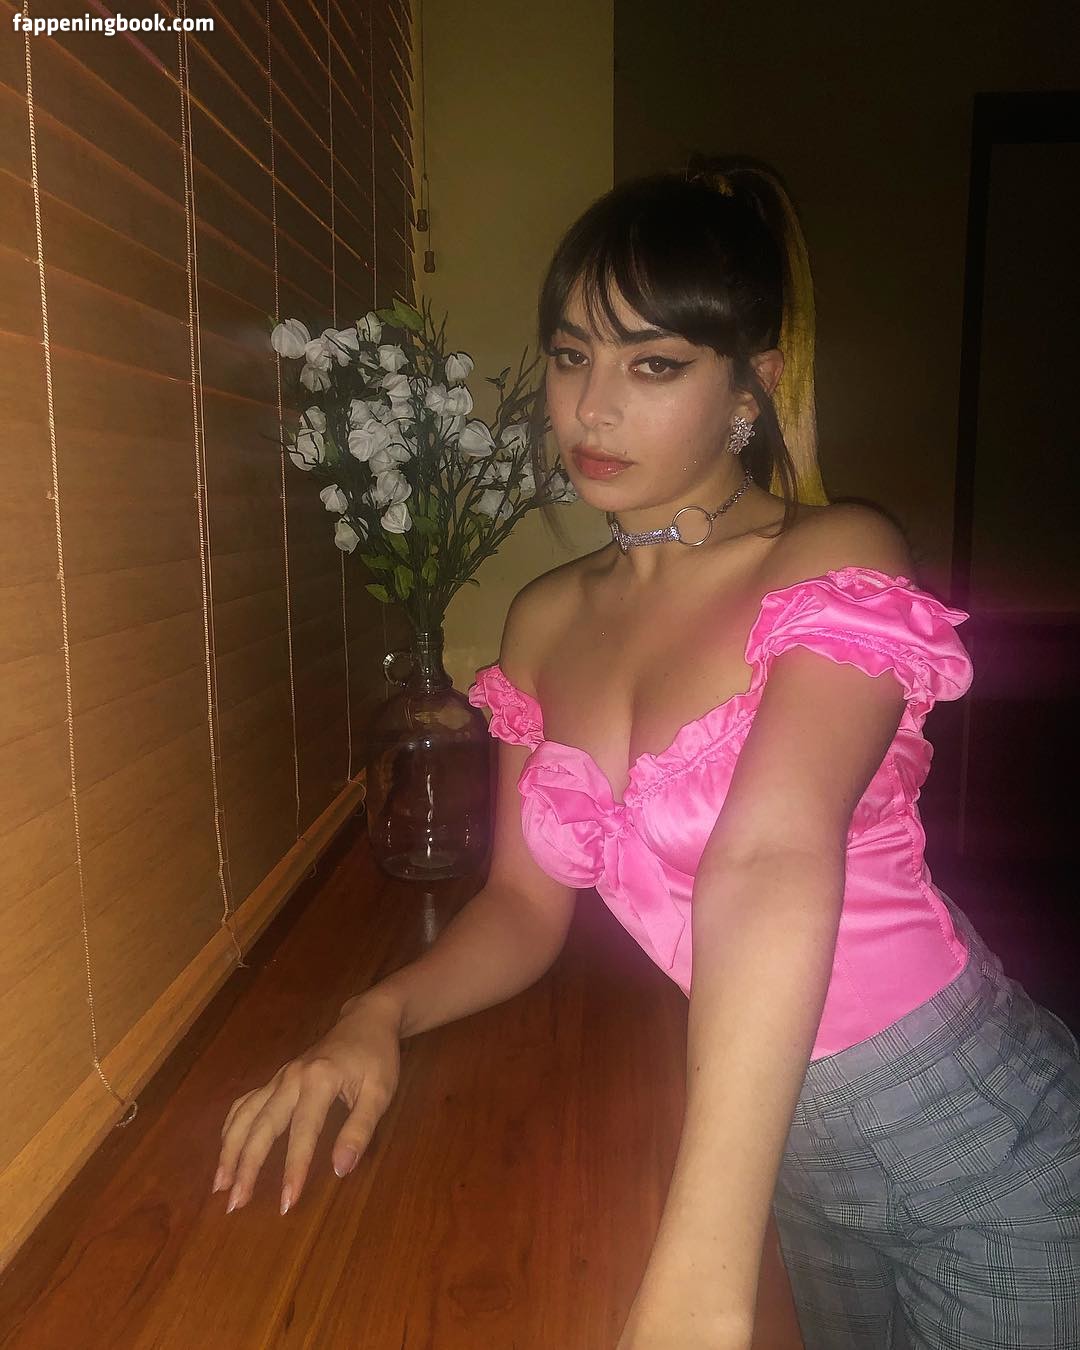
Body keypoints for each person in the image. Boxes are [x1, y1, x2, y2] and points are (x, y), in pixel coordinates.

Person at [214, 155, 1080, 1349]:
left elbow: (768, 857)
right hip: (785, 1157)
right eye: (573, 356)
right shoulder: (544, 621)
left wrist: (702, 1275)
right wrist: (374, 1016)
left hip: (980, 1146)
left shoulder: (834, 559)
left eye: (654, 364)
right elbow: (525, 906)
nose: (593, 409)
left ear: (750, 386)